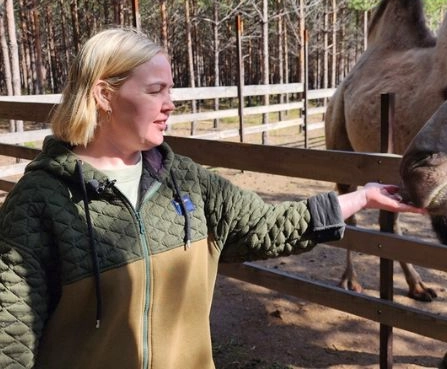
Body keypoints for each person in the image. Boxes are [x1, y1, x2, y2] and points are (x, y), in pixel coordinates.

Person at [0, 27, 424, 369]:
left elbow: (266, 227)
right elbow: (11, 339)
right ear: (104, 95)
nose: (170, 105)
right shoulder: (38, 203)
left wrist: (361, 199)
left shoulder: (187, 181)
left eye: (171, 91)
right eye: (155, 91)